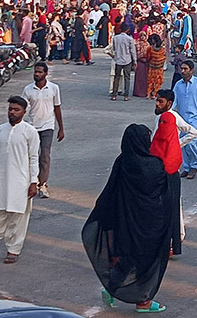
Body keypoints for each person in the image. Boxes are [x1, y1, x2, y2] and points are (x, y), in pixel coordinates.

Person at [82, 124, 170, 313]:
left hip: (125, 221)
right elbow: (164, 188)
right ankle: (143, 301)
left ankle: (112, 287)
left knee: (129, 256)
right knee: (147, 261)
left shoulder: (122, 162)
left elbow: (112, 190)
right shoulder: (154, 165)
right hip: (149, 222)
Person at [0, 96, 40, 265]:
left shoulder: (29, 132)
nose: (12, 112)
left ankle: (13, 251)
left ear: (24, 112)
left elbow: (34, 158)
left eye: (16, 109)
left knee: (17, 217)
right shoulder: (1, 130)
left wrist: (34, 182)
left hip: (21, 182)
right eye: (10, 109)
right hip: (1, 181)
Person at [151, 89, 197, 258]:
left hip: (169, 166)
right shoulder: (161, 118)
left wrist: (176, 146)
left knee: (173, 203)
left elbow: (194, 132)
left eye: (160, 101)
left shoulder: (172, 117)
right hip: (159, 165)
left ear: (169, 104)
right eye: (157, 101)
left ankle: (177, 237)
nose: (157, 104)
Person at [21, 63, 64, 200]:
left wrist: (61, 128)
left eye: (39, 72)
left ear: (45, 74)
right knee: (31, 155)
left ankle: (43, 184)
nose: (36, 74)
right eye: (35, 72)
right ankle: (32, 181)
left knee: (45, 155)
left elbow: (57, 108)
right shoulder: (28, 90)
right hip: (32, 126)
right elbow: (22, 108)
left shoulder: (53, 88)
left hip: (48, 126)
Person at [172, 60, 197, 179]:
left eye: (185, 69)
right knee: (183, 142)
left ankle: (194, 166)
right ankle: (186, 167)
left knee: (192, 142)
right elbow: (174, 101)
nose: (183, 71)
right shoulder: (178, 84)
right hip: (182, 118)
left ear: (192, 70)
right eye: (182, 69)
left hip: (196, 118)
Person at [110, 24, 136, 101]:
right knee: (127, 78)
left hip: (118, 59)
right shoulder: (129, 39)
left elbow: (114, 48)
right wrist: (135, 60)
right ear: (127, 30)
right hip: (127, 60)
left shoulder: (115, 38)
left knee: (116, 77)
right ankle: (126, 96)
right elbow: (132, 51)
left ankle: (114, 95)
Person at [146, 35, 167, 99]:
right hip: (159, 67)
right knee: (157, 81)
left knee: (151, 80)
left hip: (153, 67)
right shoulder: (163, 49)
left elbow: (148, 57)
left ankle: (149, 94)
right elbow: (164, 57)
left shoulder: (150, 48)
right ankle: (153, 94)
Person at [132, 30, 150, 98]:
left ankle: (144, 92)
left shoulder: (147, 44)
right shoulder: (137, 44)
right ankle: (138, 92)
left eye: (144, 36)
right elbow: (135, 53)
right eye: (141, 36)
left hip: (146, 63)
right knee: (139, 78)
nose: (142, 37)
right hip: (139, 62)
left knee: (145, 78)